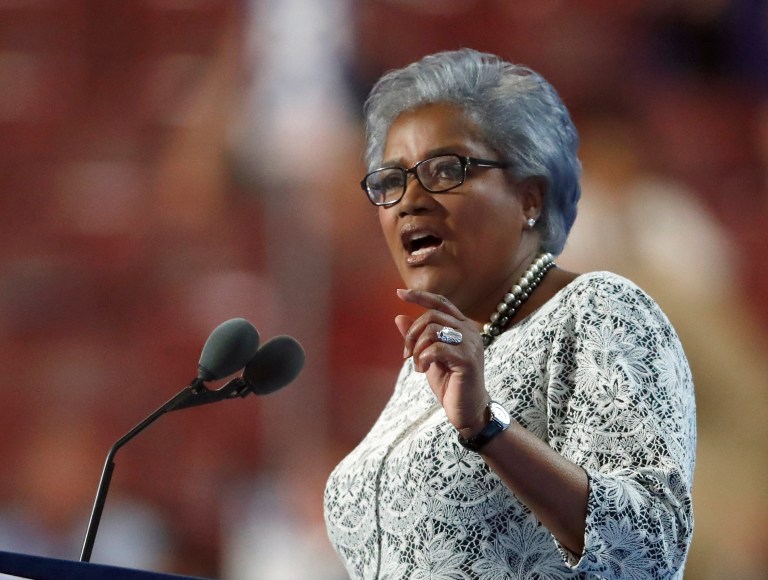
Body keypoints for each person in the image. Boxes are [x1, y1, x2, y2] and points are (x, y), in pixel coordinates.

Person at [323, 49, 696, 579]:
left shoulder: (597, 310)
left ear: (529, 198)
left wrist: (488, 428)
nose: (409, 200)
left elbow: (649, 550)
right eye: (390, 181)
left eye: (444, 170)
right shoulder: (427, 366)